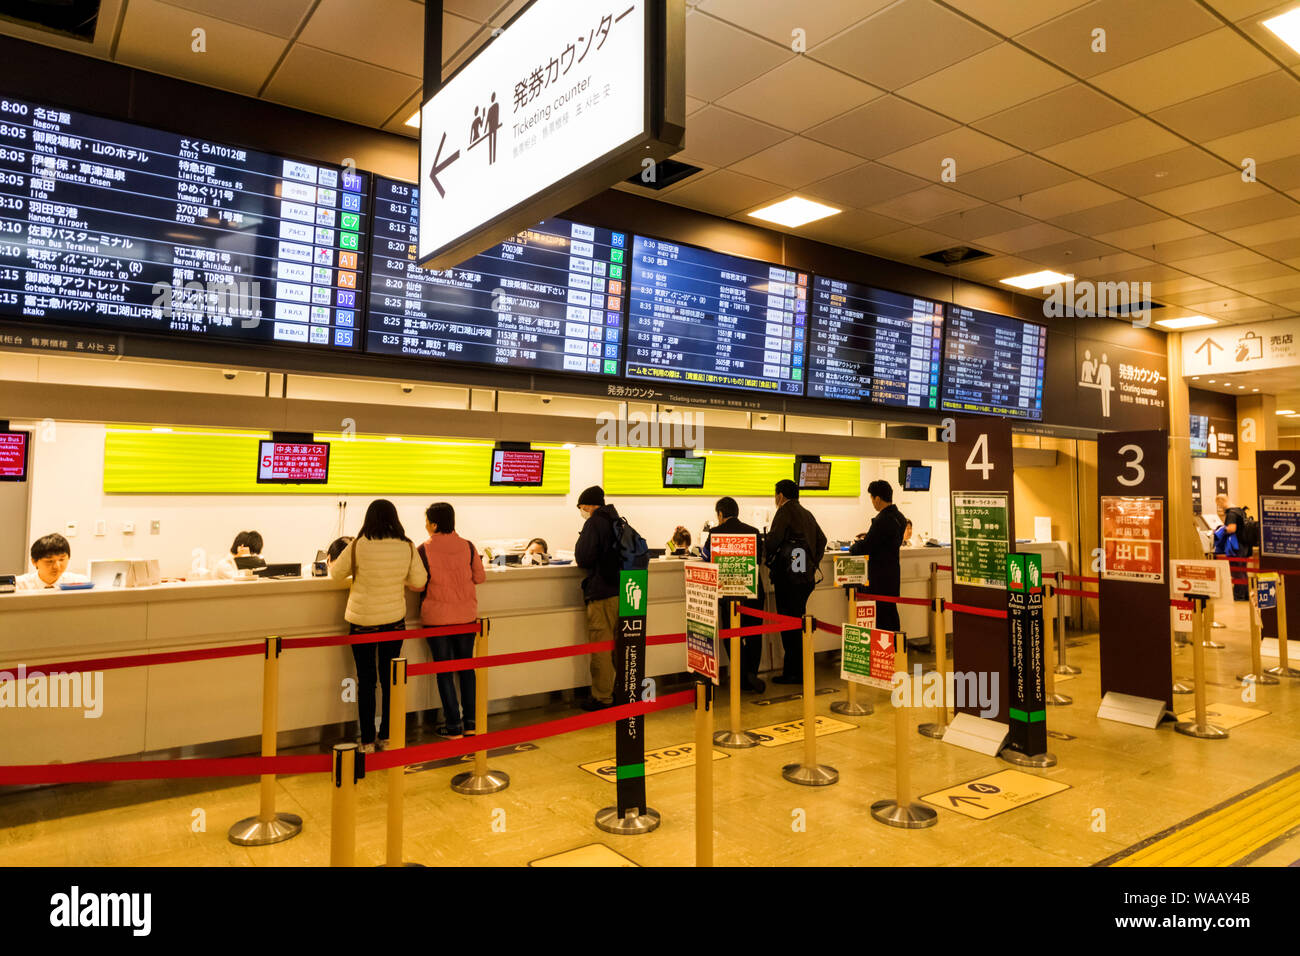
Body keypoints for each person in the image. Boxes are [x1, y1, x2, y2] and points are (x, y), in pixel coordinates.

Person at [328, 500, 427, 753]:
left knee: (367, 681)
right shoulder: (407, 546)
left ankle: (368, 741)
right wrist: (398, 578)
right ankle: (388, 736)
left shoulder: (358, 545)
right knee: (390, 679)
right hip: (394, 621)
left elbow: (336, 575)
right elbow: (419, 579)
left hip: (362, 623)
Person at [417, 503, 487, 739]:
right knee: (467, 669)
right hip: (466, 617)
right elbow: (480, 576)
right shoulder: (468, 546)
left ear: (434, 524)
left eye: (427, 520)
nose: (425, 525)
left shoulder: (423, 550)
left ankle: (453, 726)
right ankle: (471, 723)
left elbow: (417, 584)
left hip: (437, 620)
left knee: (444, 671)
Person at [765, 479, 827, 684]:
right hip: (805, 578)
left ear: (780, 495)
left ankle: (793, 673)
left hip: (789, 579)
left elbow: (773, 541)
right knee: (798, 623)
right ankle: (800, 669)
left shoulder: (784, 511)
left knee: (789, 624)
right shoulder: (806, 513)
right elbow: (822, 539)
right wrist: (811, 563)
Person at [701, 496, 765, 693]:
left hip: (728, 593)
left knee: (731, 634)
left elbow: (706, 556)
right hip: (752, 590)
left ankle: (740, 674)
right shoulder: (753, 532)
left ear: (720, 514)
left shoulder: (715, 532)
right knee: (754, 634)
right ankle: (751, 673)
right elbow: (759, 559)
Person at [573, 485, 622, 710]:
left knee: (601, 648)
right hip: (624, 592)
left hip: (602, 593)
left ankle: (602, 697)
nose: (582, 512)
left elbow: (583, 558)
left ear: (591, 505)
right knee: (620, 647)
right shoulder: (618, 520)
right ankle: (624, 691)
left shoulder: (594, 523)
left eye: (582, 508)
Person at [850, 480, 909, 632]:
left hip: (880, 576)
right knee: (890, 611)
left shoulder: (882, 519)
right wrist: (870, 535)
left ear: (877, 498)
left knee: (882, 616)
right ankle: (897, 648)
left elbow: (867, 546)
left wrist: (854, 546)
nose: (872, 502)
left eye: (871, 498)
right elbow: (883, 540)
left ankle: (887, 650)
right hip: (892, 573)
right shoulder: (899, 517)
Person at [16, 534, 89, 590]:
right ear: (34, 561)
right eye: (49, 561)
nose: (57, 566)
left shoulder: (79, 583)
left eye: (61, 560)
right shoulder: (19, 585)